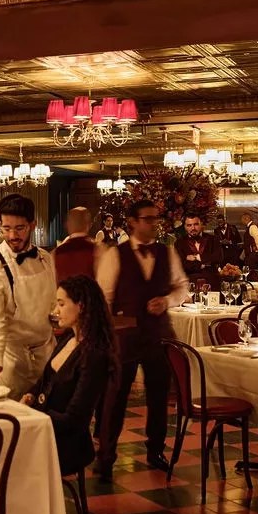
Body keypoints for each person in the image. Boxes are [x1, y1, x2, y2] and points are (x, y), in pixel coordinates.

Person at [96, 199, 188, 481]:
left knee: (159, 396)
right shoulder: (116, 255)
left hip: (159, 334)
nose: (153, 224)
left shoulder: (167, 252)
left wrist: (167, 301)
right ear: (133, 222)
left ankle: (155, 450)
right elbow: (103, 297)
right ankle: (106, 456)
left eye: (156, 218)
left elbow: (182, 287)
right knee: (116, 398)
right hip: (125, 337)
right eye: (147, 219)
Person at [21, 275, 118, 476]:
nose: (56, 311)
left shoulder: (94, 355)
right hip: (45, 431)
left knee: (3, 459)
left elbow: (74, 420)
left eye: (62, 304)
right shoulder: (68, 339)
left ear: (81, 306)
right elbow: (45, 381)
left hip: (65, 444)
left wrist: (34, 413)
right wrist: (31, 395)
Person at [0, 194, 56, 399]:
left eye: (19, 228)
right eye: (6, 228)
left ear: (32, 225)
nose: (12, 235)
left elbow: (53, 303)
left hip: (47, 355)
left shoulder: (45, 258)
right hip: (12, 362)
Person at [52, 207, 103, 283]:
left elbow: (52, 282)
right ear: (89, 225)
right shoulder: (99, 250)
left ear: (68, 225)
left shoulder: (56, 253)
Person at [174, 212, 220, 291]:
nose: (193, 228)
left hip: (212, 282)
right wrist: (203, 265)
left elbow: (218, 257)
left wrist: (197, 257)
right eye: (189, 225)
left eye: (196, 224)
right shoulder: (179, 243)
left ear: (201, 224)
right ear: (185, 227)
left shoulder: (213, 239)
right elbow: (181, 265)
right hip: (190, 284)